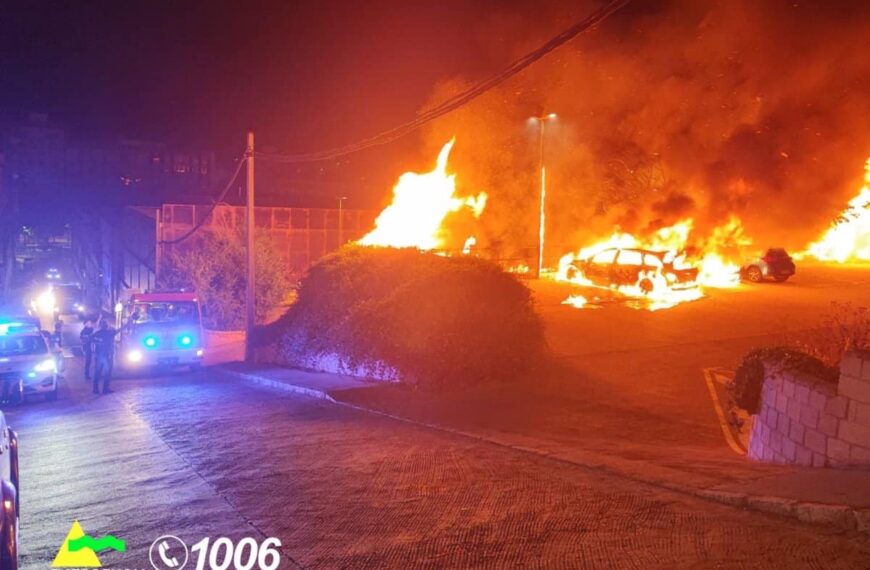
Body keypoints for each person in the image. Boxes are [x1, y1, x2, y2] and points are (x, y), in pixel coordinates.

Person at [91, 319, 118, 394]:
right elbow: (118, 330)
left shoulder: (97, 334)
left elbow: (90, 339)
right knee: (107, 372)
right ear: (107, 326)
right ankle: (105, 389)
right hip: (107, 355)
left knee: (97, 372)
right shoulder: (110, 333)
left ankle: (95, 389)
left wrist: (98, 342)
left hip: (99, 355)